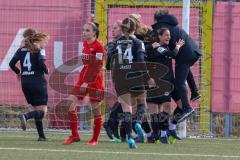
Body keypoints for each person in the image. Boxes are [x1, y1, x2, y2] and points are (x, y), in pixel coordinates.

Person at [108, 17, 155, 149]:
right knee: (141, 102)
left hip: (120, 78)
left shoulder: (114, 43)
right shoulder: (138, 42)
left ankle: (129, 137)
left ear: (122, 28)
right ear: (135, 28)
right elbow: (140, 61)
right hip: (135, 76)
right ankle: (138, 122)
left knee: (126, 109)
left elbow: (108, 63)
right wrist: (148, 78)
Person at [152, 8, 201, 123]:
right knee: (185, 69)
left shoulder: (162, 26)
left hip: (184, 54)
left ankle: (187, 108)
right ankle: (194, 92)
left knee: (179, 82)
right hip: (192, 51)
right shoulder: (172, 25)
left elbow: (157, 36)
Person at [63, 22, 104, 145]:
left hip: (95, 79)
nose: (84, 33)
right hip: (84, 76)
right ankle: (75, 135)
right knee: (70, 103)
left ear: (94, 32)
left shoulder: (99, 46)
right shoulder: (85, 44)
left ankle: (95, 139)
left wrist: (87, 82)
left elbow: (97, 66)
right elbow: (86, 61)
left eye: (87, 30)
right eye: (83, 30)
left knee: (95, 108)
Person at [9, 29, 49, 141]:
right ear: (35, 37)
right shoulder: (39, 49)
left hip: (25, 82)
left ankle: (41, 136)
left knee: (37, 109)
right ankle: (25, 116)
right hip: (37, 81)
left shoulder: (21, 50)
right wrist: (46, 70)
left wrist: (18, 72)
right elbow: (41, 64)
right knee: (42, 111)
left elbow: (11, 64)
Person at [146, 27, 185, 144]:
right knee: (165, 107)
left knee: (182, 105)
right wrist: (178, 46)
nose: (169, 37)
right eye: (166, 35)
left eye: (169, 35)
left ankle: (171, 127)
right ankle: (160, 135)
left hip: (170, 82)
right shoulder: (158, 48)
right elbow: (173, 54)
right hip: (162, 83)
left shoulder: (163, 47)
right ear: (160, 36)